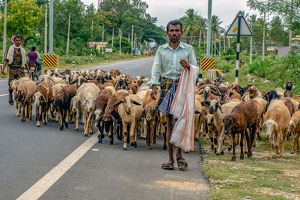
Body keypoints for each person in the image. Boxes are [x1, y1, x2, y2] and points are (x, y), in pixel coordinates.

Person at [147, 20, 198, 170]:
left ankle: (179, 155)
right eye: (171, 30)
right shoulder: (161, 50)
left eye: (177, 30)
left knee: (181, 122)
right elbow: (156, 68)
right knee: (170, 123)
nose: (174, 33)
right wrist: (154, 86)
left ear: (181, 33)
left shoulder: (188, 49)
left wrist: (188, 66)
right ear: (167, 33)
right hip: (167, 85)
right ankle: (170, 159)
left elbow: (196, 68)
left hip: (183, 86)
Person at [1, 35, 31, 105]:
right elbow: (6, 59)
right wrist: (3, 69)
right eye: (16, 40)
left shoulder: (22, 50)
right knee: (11, 85)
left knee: (22, 85)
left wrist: (29, 72)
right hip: (12, 68)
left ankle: (20, 98)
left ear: (21, 41)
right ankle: (10, 96)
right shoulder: (10, 49)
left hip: (20, 69)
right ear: (14, 41)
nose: (18, 42)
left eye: (19, 40)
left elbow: (25, 61)